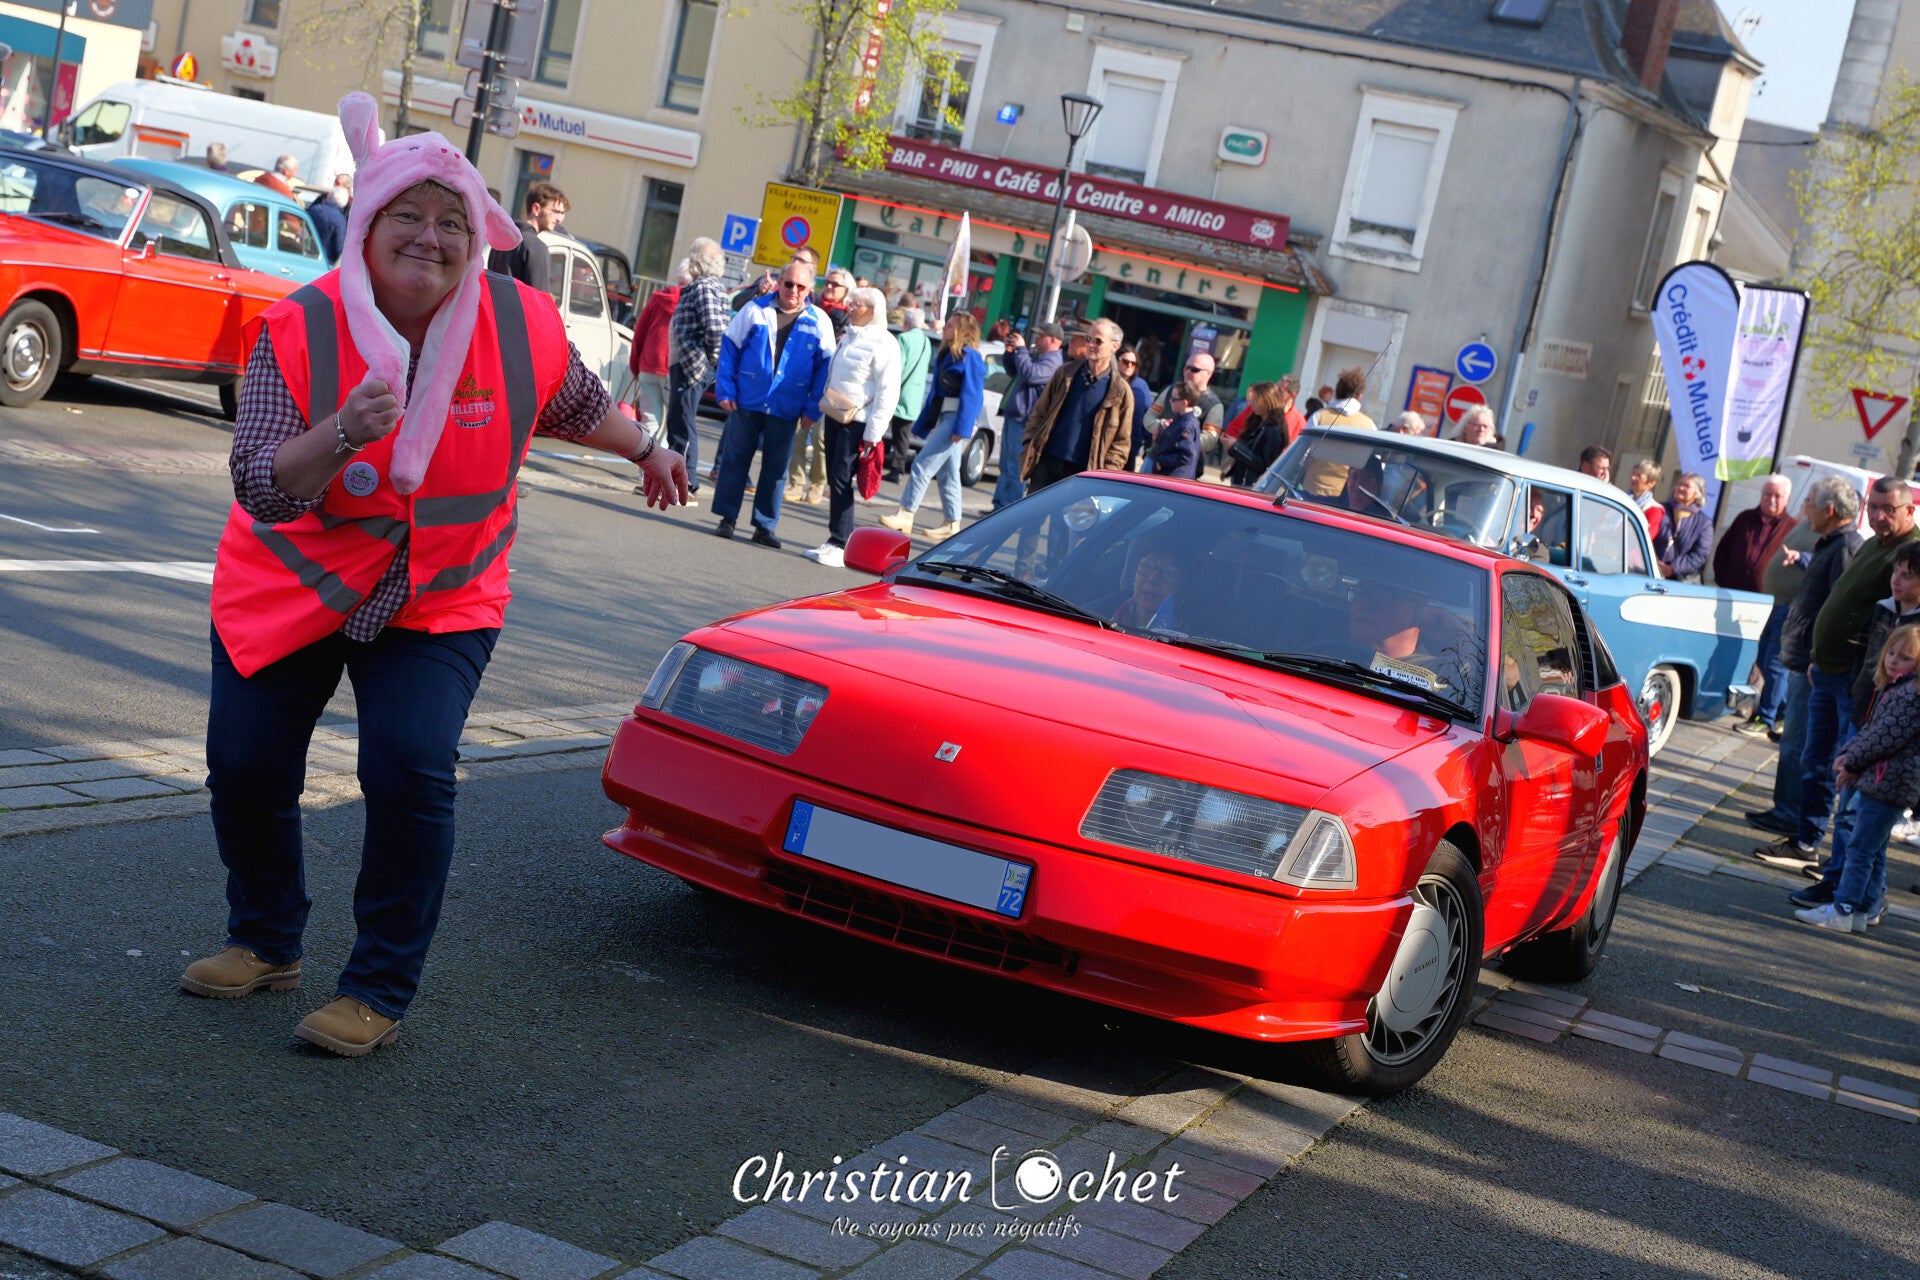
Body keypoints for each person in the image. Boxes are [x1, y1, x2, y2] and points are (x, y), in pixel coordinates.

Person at [180, 93, 688, 1058]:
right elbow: (261, 485)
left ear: (479, 235)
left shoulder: (519, 320)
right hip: (293, 584)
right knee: (245, 767)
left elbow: (577, 402)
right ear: (366, 225)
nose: (430, 236)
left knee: (409, 767)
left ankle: (376, 989)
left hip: (442, 593)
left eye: (451, 219)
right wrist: (342, 432)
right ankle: (266, 939)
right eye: (406, 214)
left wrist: (648, 450)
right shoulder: (300, 325)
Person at [1755, 475, 1917, 867]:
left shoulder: (1911, 553)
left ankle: (1842, 872)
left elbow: (1895, 628)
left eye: (1888, 509)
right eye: (1872, 507)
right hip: (1826, 670)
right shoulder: (1873, 545)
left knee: (1851, 773)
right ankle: (1806, 842)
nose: (1878, 516)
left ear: (1910, 510)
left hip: (1857, 679)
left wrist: (1860, 673)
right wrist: (1818, 657)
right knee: (1816, 760)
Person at [1747, 478, 1863, 838]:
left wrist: (1817, 656)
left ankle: (1792, 815)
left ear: (1829, 510)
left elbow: (1840, 608)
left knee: (1801, 744)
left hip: (1814, 664)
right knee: (1796, 742)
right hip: (1806, 659)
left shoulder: (1845, 547)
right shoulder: (1831, 543)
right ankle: (1786, 810)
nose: (1805, 508)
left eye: (1810, 502)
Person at [1792, 623, 1920, 930]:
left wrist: (1852, 762)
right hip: (1888, 781)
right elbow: (1872, 731)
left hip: (1888, 782)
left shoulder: (1908, 695)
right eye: (1891, 653)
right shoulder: (1897, 689)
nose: (1893, 661)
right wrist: (1849, 752)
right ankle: (1862, 909)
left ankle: (1843, 907)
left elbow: (1883, 737)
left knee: (1860, 848)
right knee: (1873, 849)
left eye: (1904, 657)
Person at [711, 259, 836, 548]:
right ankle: (727, 519)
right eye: (788, 283)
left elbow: (825, 369)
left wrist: (812, 408)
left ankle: (764, 526)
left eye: (800, 286)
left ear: (809, 289)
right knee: (735, 460)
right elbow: (730, 348)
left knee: (776, 468)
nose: (793, 290)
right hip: (748, 400)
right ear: (779, 283)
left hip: (787, 405)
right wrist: (725, 389)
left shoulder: (819, 321)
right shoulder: (754, 310)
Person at [805, 287, 899, 568]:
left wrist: (874, 433)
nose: (851, 308)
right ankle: (834, 538)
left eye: (857, 304)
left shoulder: (884, 343)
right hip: (836, 413)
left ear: (872, 310)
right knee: (835, 477)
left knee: (841, 478)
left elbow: (888, 391)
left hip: (857, 422)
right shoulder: (850, 336)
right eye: (852, 303)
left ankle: (841, 542)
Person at [880, 312, 986, 539]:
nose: (944, 328)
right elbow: (936, 395)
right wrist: (924, 424)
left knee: (922, 464)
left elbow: (974, 395)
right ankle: (952, 522)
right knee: (948, 473)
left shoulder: (969, 356)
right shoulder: (949, 353)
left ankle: (906, 513)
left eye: (950, 326)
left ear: (962, 331)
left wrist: (962, 428)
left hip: (956, 418)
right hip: (947, 416)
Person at [1717, 475, 1798, 736]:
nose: (1771, 500)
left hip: (1771, 603)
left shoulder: (1793, 528)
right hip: (1736, 598)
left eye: (1777, 496)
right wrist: (1724, 580)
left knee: (1768, 661)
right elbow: (1723, 551)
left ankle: (1769, 714)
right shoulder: (1745, 518)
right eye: (1767, 494)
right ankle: (1742, 704)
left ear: (1786, 499)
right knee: (1745, 654)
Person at [1018, 318, 1134, 494]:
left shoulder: (1121, 391)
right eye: (1089, 339)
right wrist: (1029, 443)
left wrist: (1104, 473)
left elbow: (1121, 444)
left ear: (1114, 346)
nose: (1091, 344)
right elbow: (1039, 413)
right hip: (1046, 463)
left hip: (1083, 475)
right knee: (1033, 512)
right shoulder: (1065, 373)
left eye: (1098, 341)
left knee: (1068, 515)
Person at [666, 236, 730, 501]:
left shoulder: (704, 286)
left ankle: (686, 480)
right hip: (690, 363)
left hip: (692, 364)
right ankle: (677, 478)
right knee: (679, 421)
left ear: (698, 261)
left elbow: (716, 329)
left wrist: (710, 359)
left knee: (683, 422)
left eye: (693, 255)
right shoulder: (707, 286)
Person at [993, 321, 1065, 509]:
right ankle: (999, 506)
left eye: (1041, 336)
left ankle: (1008, 509)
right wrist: (1011, 352)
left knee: (1015, 467)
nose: (1037, 340)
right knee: (1005, 465)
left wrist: (1021, 350)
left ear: (1053, 340)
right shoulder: (1037, 356)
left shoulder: (1053, 362)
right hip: (1014, 416)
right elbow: (1014, 371)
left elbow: (1030, 375)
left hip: (1024, 421)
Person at [1143, 352, 1224, 477]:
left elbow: (1210, 440)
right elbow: (1148, 417)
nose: (1188, 372)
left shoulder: (1213, 404)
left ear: (1208, 373)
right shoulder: (1171, 391)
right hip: (1155, 456)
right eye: (1186, 367)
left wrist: (1177, 435)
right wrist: (1160, 426)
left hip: (1182, 466)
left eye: (1194, 369)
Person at [1299, 367, 1376, 497]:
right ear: (1359, 396)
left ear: (1337, 392)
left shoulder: (1319, 416)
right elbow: (1371, 466)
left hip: (1311, 490)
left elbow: (1301, 454)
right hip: (1345, 499)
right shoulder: (1369, 426)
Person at [627, 261, 683, 435]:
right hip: (673, 369)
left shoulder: (659, 298)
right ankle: (663, 453)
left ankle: (645, 452)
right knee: (672, 423)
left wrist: (635, 366)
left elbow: (639, 332)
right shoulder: (691, 303)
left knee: (649, 420)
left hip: (648, 364)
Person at [486, 181, 566, 292]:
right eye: (555, 211)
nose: (559, 219)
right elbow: (539, 298)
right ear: (536, 208)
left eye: (561, 213)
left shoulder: (502, 239)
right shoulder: (537, 247)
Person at [886, 306, 932, 483]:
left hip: (900, 392)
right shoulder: (926, 341)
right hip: (915, 394)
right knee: (903, 433)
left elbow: (898, 367)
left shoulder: (903, 338)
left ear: (905, 322)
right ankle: (897, 467)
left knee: (891, 432)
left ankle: (895, 468)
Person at [1224, 381, 1295, 487]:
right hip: (1241, 481)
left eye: (1256, 400)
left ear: (1267, 401)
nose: (1251, 404)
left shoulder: (1273, 430)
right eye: (1251, 400)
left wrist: (1236, 447)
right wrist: (1233, 447)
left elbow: (1266, 465)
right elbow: (1249, 451)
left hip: (1252, 485)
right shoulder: (1257, 422)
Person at [1106, 537, 1186, 629]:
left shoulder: (1193, 632)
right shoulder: (1102, 612)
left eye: (1168, 573)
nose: (1152, 579)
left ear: (1184, 588)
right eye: (1147, 566)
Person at [1656, 473, 1712, 581]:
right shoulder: (1660, 510)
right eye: (1679, 484)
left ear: (1697, 494)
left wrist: (1673, 568)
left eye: (1686, 486)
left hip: (1676, 581)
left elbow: (1700, 555)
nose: (1680, 488)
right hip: (1647, 571)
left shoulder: (1703, 523)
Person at [733, 246, 820, 311]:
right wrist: (759, 292)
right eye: (794, 259)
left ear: (813, 267)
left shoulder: (814, 299)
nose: (795, 263)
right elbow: (736, 305)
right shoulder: (770, 279)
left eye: (801, 260)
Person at [1117, 347, 1152, 471]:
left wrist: (1148, 443)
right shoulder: (1107, 381)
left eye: (1133, 363)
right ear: (1116, 361)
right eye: (1125, 362)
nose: (1129, 366)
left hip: (1130, 449)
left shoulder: (1140, 386)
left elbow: (1148, 415)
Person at [308, 174, 350, 265]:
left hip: (314, 255)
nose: (334, 185)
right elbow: (339, 247)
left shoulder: (351, 207)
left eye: (337, 183)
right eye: (334, 182)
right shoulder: (322, 199)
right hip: (326, 259)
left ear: (347, 188)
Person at [1627, 458, 1664, 540]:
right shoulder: (1623, 500)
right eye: (1633, 473)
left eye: (1638, 476)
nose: (1633, 478)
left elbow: (1645, 538)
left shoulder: (1654, 510)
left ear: (1652, 483)